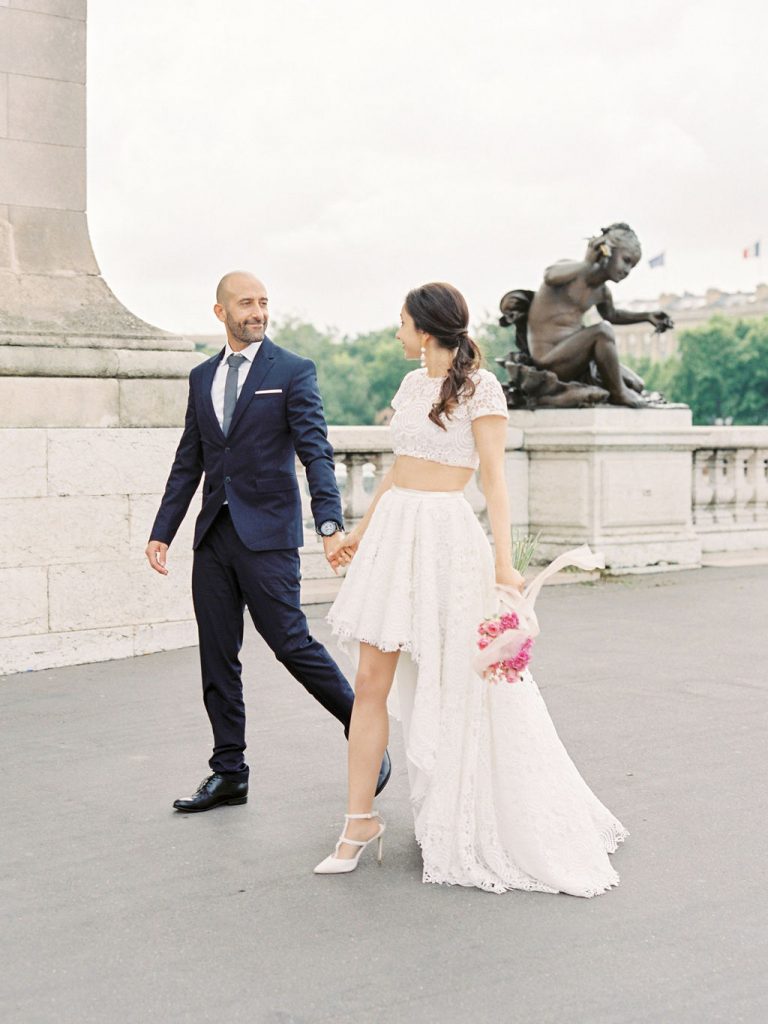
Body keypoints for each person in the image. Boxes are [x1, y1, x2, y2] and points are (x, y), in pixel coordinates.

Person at [313, 282, 627, 896]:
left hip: (447, 543)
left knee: (464, 686)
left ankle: (472, 807)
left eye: (401, 321)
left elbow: (494, 482)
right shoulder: (409, 387)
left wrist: (504, 565)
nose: (395, 330)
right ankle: (359, 822)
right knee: (369, 683)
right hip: (394, 537)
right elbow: (398, 470)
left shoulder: (483, 387)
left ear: (425, 330)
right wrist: (360, 531)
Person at [146, 271, 390, 812]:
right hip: (213, 537)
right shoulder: (200, 376)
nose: (257, 312)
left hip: (269, 536)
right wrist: (163, 530)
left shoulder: (293, 371)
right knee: (217, 657)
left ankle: (365, 731)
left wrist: (329, 525)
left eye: (263, 303)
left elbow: (316, 452)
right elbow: (190, 460)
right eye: (245, 304)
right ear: (221, 313)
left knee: (291, 643)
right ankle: (228, 772)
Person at [526, 222, 673, 408]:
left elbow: (612, 315)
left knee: (637, 384)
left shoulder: (602, 292)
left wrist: (647, 316)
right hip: (549, 357)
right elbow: (549, 275)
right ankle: (618, 394)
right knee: (602, 331)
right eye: (626, 260)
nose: (627, 271)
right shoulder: (570, 271)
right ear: (607, 251)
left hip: (576, 357)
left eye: (632, 267)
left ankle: (607, 391)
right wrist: (587, 263)